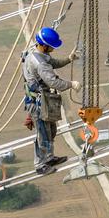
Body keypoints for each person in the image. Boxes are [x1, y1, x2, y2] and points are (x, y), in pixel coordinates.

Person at [22, 27, 80, 175]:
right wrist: (71, 84)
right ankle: (40, 164)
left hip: (43, 101)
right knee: (43, 133)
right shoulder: (39, 63)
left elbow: (52, 62)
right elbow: (54, 82)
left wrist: (68, 59)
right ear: (44, 45)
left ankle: (48, 157)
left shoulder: (38, 53)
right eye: (51, 47)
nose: (52, 49)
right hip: (38, 103)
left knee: (50, 130)